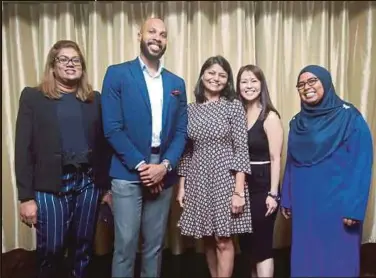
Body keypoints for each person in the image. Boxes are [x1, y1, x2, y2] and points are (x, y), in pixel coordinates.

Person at [15, 40, 112, 278]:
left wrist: (106, 187)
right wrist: (26, 197)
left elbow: (104, 145)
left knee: (83, 244)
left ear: (82, 66)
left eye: (76, 60)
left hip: (88, 183)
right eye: (64, 59)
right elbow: (22, 149)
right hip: (51, 185)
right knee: (52, 248)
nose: (70, 64)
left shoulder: (94, 99)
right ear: (53, 65)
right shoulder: (33, 97)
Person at [100, 17, 188, 278]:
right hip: (128, 171)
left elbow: (182, 132)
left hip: (163, 169)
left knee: (154, 247)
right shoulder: (116, 73)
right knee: (125, 246)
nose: (157, 38)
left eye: (163, 34)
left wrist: (163, 166)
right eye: (152, 32)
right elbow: (112, 128)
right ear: (140, 35)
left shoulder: (176, 83)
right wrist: (142, 167)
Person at [280, 65, 373, 277]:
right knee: (306, 259)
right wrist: (287, 196)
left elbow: (362, 164)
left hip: (338, 205)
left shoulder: (350, 117)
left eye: (312, 81)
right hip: (305, 206)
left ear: (326, 82)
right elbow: (292, 160)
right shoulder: (297, 122)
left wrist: (354, 207)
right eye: (301, 84)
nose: (306, 87)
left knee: (338, 261)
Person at [176, 55, 252, 278]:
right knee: (207, 237)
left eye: (222, 75)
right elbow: (187, 151)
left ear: (227, 80)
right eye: (211, 73)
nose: (215, 79)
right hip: (198, 178)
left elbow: (241, 149)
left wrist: (239, 191)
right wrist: (182, 186)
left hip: (225, 179)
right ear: (202, 76)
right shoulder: (190, 109)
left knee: (223, 239)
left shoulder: (233, 106)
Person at [236, 64, 283, 277]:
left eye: (253, 81)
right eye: (244, 81)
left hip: (263, 185)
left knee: (262, 246)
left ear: (261, 84)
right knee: (248, 245)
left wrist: (273, 193)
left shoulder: (270, 117)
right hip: (242, 184)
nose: (249, 86)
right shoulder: (237, 114)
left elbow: (276, 157)